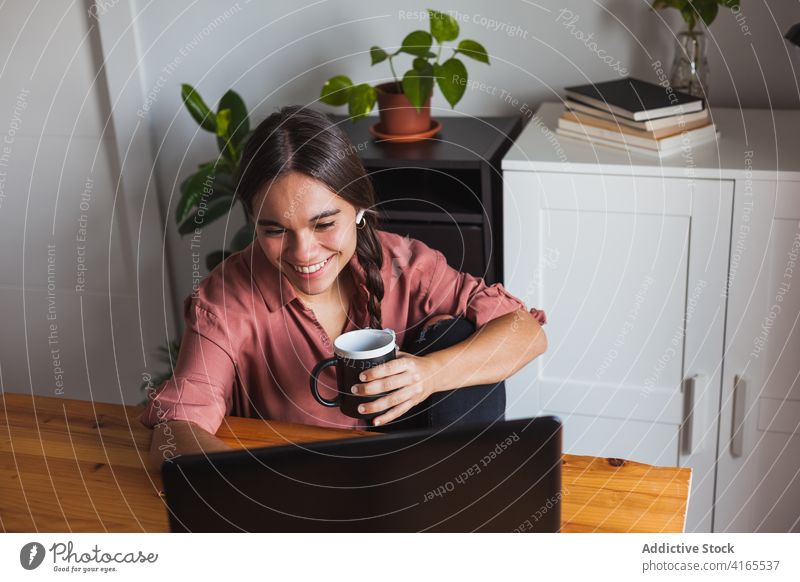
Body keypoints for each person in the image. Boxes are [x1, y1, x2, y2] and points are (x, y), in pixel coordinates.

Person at [142, 105, 547, 470]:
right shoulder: (227, 298)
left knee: (458, 334)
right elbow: (178, 426)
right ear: (253, 221)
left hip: (417, 484)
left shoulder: (407, 265)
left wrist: (428, 374)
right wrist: (251, 492)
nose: (302, 253)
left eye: (323, 224)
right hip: (301, 484)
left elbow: (525, 333)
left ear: (358, 209)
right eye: (274, 230)